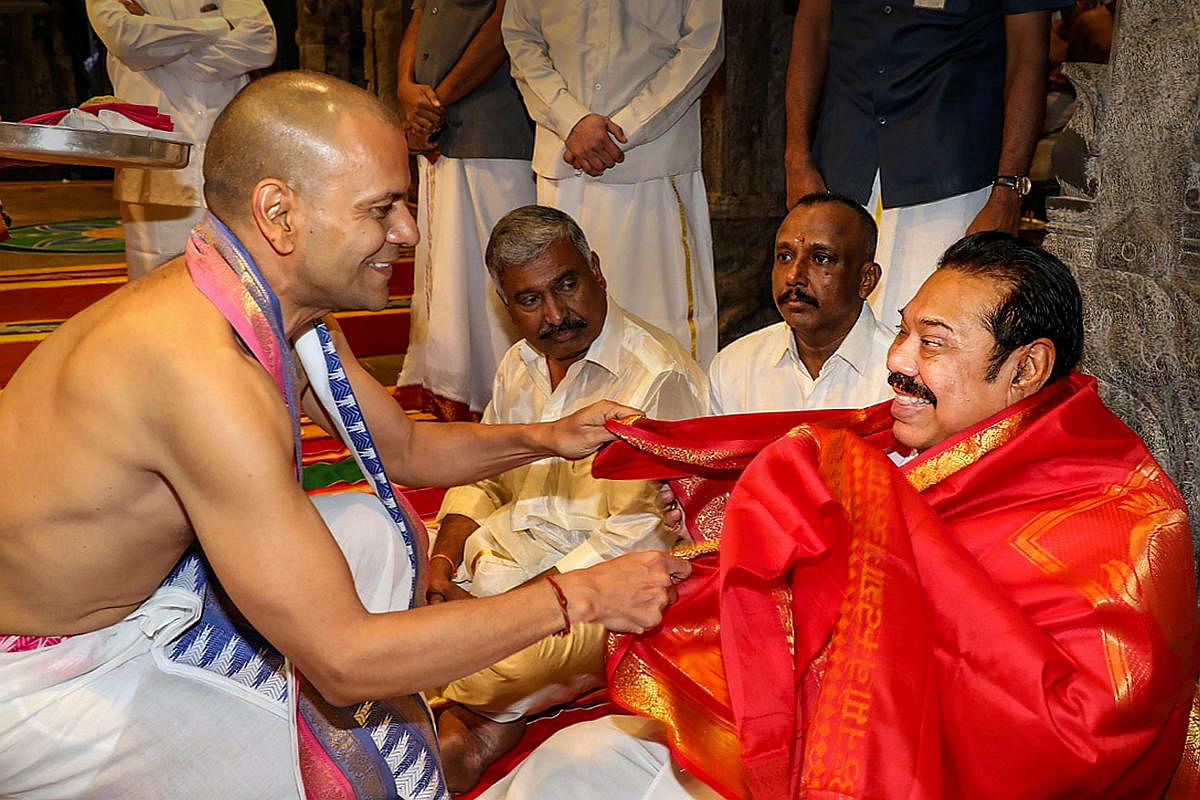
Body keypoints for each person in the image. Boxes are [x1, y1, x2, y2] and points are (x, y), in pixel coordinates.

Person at [0, 71, 690, 799]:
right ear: (280, 215)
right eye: (382, 209)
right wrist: (576, 596)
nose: (410, 232)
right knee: (290, 767)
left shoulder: (258, 302)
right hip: (43, 673)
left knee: (371, 528)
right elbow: (344, 663)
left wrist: (553, 435)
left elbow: (408, 452)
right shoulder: (202, 374)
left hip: (139, 595)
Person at [479, 233, 1200, 799]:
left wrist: (863, 514)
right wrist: (737, 511)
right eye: (905, 330)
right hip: (831, 727)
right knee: (571, 763)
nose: (899, 361)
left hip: (917, 772)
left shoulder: (1128, 519)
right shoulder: (923, 433)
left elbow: (1077, 741)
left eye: (935, 342)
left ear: (1027, 369)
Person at [428, 205, 708, 792]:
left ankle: (470, 717)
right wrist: (441, 563)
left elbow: (640, 538)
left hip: (600, 594)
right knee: (386, 570)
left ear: (597, 271)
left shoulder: (656, 376)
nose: (555, 315)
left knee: (470, 652)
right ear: (507, 306)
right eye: (530, 300)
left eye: (567, 285)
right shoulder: (519, 363)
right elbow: (485, 473)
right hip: (501, 563)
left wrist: (505, 611)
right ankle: (483, 716)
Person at [784, 0, 1070, 329]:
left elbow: (1027, 59)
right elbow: (812, 26)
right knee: (826, 336)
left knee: (934, 335)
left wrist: (1009, 190)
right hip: (841, 163)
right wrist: (796, 158)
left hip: (950, 177)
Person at [501, 0, 724, 367]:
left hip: (652, 162)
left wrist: (625, 129)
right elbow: (520, 35)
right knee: (562, 317)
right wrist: (570, 120)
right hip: (564, 161)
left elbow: (704, 44)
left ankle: (666, 422)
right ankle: (571, 420)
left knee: (660, 320)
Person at [394, 0, 536, 420]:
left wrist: (434, 102)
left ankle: (512, 400)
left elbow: (504, 27)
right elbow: (422, 15)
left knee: (497, 268)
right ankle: (452, 388)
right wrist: (406, 88)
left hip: (493, 131)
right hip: (439, 126)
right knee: (446, 268)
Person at [86, 0, 276, 279]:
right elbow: (127, 40)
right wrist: (218, 26)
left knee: (238, 284)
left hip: (228, 157)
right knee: (157, 284)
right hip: (156, 166)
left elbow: (262, 45)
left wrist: (168, 54)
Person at [708, 192, 893, 414]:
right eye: (785, 256)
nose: (793, 276)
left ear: (866, 280)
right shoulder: (734, 368)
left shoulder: (902, 377)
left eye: (820, 258)